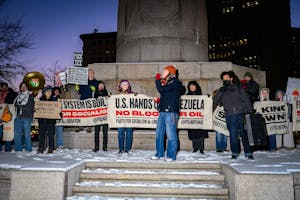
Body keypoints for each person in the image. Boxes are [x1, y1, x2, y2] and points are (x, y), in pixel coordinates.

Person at [213, 71, 254, 160]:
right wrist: (222, 90)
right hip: (229, 115)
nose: (225, 80)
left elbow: (246, 100)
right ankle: (235, 153)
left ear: (231, 78)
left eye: (227, 78)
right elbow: (215, 100)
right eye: (223, 79)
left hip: (240, 114)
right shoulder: (222, 89)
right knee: (233, 135)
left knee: (244, 134)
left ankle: (248, 152)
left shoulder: (239, 88)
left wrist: (248, 113)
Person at [151, 65, 183, 162]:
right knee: (159, 134)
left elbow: (162, 90)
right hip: (163, 111)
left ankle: (171, 155)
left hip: (171, 112)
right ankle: (159, 153)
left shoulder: (176, 82)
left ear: (170, 72)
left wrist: (157, 80)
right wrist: (160, 101)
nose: (162, 72)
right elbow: (166, 94)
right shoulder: (167, 82)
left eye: (165, 71)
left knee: (171, 135)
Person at [186, 80, 208, 154]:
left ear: (196, 87)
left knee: (200, 133)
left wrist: (208, 98)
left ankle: (201, 148)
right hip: (191, 118)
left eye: (193, 86)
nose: (191, 87)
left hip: (200, 118)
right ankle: (195, 148)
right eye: (190, 86)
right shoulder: (186, 96)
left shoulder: (201, 96)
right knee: (193, 133)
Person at [14, 82, 35, 152]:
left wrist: (20, 106)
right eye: (22, 86)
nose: (23, 87)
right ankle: (18, 148)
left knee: (26, 133)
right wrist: (21, 106)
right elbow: (15, 105)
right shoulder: (18, 96)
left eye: (25, 86)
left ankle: (28, 149)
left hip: (27, 117)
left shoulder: (30, 96)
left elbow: (30, 106)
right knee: (17, 133)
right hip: (18, 116)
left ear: (27, 87)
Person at [37, 86, 56, 154]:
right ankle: (41, 147)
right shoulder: (40, 100)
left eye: (50, 91)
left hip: (51, 121)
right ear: (44, 92)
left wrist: (59, 113)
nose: (48, 93)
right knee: (42, 135)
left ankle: (51, 148)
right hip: (42, 121)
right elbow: (37, 110)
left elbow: (58, 110)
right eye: (47, 91)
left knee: (51, 135)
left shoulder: (54, 100)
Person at [117, 79, 134, 153]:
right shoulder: (117, 95)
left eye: (126, 84)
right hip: (120, 116)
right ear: (121, 86)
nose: (125, 86)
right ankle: (121, 148)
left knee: (129, 133)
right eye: (123, 85)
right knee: (120, 133)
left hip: (129, 116)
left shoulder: (133, 94)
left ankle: (128, 148)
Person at [93, 81, 109, 152]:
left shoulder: (107, 94)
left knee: (105, 132)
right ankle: (96, 146)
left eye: (102, 85)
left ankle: (104, 146)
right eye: (100, 85)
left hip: (105, 116)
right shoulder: (94, 94)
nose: (101, 86)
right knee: (96, 131)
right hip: (97, 115)